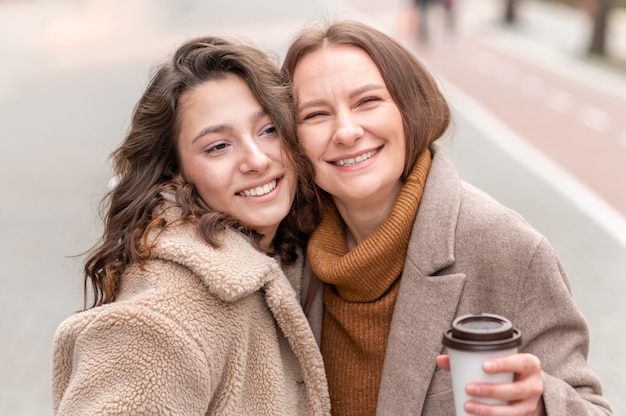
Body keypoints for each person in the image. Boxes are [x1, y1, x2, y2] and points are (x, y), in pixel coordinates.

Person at [282, 20, 613, 415]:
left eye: (367, 101)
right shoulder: (286, 252)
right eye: (316, 114)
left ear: (409, 108)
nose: (347, 131)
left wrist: (540, 405)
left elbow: (593, 407)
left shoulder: (506, 248)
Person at [52, 36, 330, 415]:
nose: (256, 159)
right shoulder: (163, 320)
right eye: (218, 146)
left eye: (268, 130)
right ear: (174, 171)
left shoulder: (287, 251)